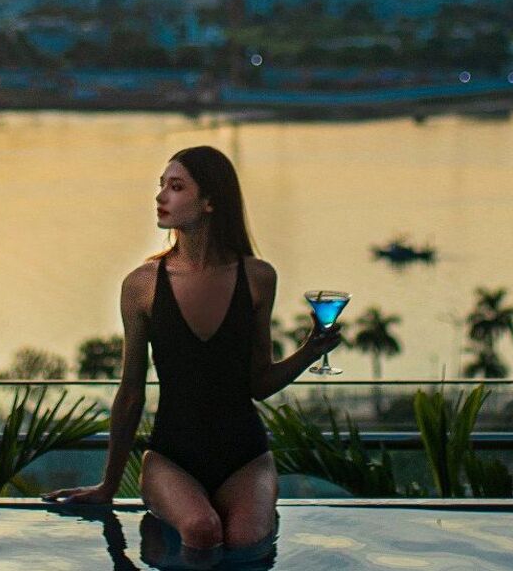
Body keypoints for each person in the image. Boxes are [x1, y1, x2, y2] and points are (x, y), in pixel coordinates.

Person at [43, 144, 342, 564]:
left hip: (246, 456)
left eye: (176, 187)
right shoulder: (143, 285)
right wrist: (107, 486)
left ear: (209, 201)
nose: (161, 196)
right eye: (161, 186)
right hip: (171, 456)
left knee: (244, 540)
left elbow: (258, 384)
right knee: (202, 530)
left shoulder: (257, 277)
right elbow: (131, 393)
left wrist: (311, 351)